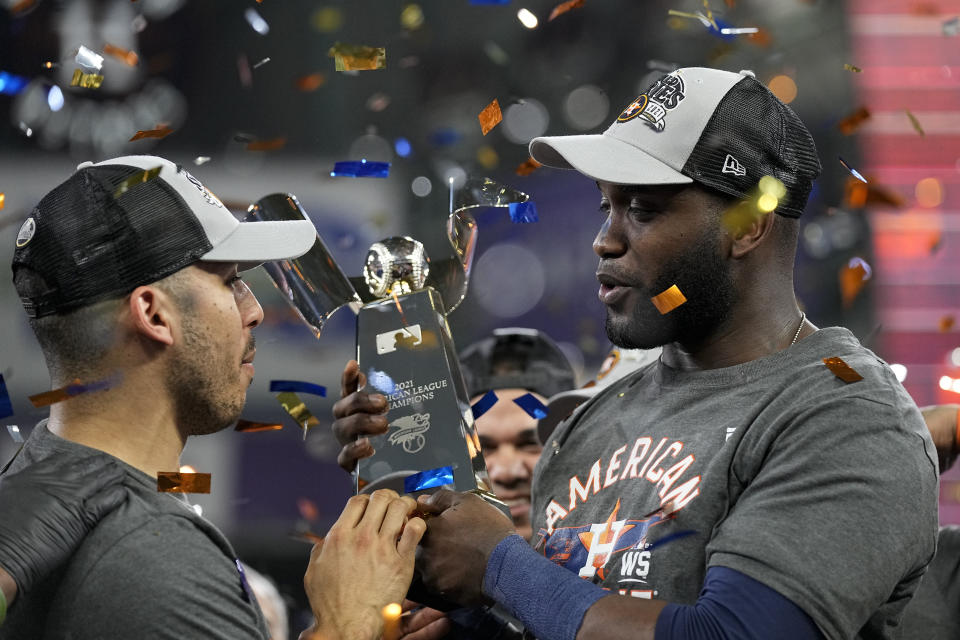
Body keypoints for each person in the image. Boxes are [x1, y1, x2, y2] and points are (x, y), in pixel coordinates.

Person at [332, 67, 939, 639]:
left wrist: (498, 567)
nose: (605, 240)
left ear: (748, 225)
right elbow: (573, 611)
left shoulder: (846, 414)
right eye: (608, 205)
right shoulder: (594, 420)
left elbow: (736, 633)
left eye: (643, 209)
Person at [1, 155, 425, 639]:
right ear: (155, 315)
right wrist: (350, 621)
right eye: (230, 280)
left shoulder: (28, 487)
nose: (255, 310)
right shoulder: (159, 555)